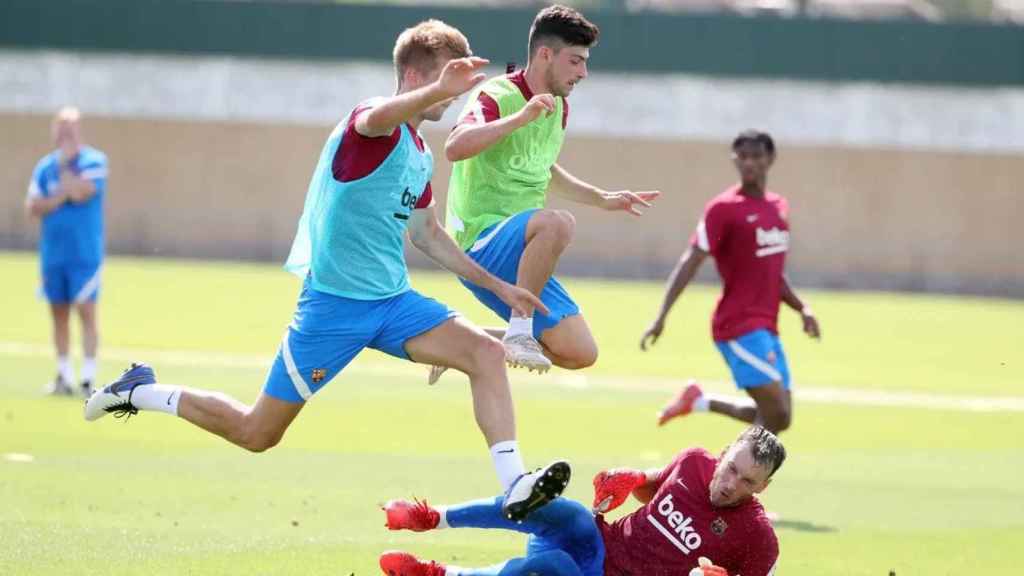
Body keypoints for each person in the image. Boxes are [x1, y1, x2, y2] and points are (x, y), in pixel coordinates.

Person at [84, 20, 565, 521]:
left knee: (485, 352)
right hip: (333, 309)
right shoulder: (370, 124)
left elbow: (429, 236)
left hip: (395, 303)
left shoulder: (420, 154)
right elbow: (377, 115)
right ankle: (140, 390)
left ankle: (514, 484)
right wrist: (435, 92)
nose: (459, 86)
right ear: (414, 73)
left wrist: (502, 288)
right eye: (449, 74)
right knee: (258, 433)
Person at [433, 4, 660, 381]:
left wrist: (603, 199)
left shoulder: (559, 108)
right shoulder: (498, 94)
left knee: (579, 353)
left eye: (585, 62)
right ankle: (520, 331)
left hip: (521, 256)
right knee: (557, 224)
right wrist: (519, 118)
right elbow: (455, 148)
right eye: (575, 61)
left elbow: (543, 169)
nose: (583, 73)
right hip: (479, 242)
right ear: (544, 55)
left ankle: (465, 340)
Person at [379, 426, 784, 576]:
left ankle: (435, 573)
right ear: (725, 451)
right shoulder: (696, 461)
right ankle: (430, 518)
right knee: (566, 513)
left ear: (761, 488)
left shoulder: (757, 537)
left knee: (549, 567)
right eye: (731, 467)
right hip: (598, 541)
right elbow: (655, 488)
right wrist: (632, 478)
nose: (731, 483)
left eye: (747, 480)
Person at [641, 130, 821, 434]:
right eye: (743, 157)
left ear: (770, 159)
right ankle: (726, 476)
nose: (749, 163)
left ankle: (699, 401)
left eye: (757, 156)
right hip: (737, 325)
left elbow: (773, 273)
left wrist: (802, 308)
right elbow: (691, 261)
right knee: (774, 414)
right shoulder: (723, 209)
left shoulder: (778, 208)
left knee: (781, 417)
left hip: (767, 326)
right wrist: (661, 316)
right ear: (734, 160)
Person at [25, 106, 108, 398]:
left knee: (86, 312)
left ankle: (87, 379)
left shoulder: (94, 160)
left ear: (79, 131)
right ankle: (63, 376)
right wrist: (60, 196)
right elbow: (33, 207)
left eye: (69, 130)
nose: (64, 135)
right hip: (53, 254)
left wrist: (59, 188)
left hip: (84, 254)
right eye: (60, 130)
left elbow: (82, 191)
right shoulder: (43, 167)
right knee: (58, 313)